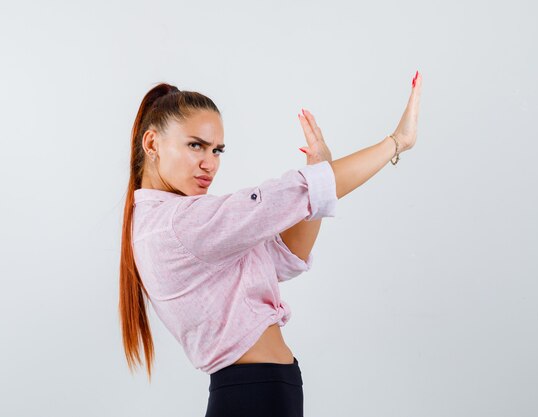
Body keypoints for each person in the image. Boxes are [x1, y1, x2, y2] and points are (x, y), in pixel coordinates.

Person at [118, 70, 422, 417]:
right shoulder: (177, 224)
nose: (209, 163)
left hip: (260, 391)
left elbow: (286, 255)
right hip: (253, 393)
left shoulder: (173, 223)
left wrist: (319, 172)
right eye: (195, 145)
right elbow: (290, 196)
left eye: (217, 150)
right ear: (152, 144)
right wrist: (397, 142)